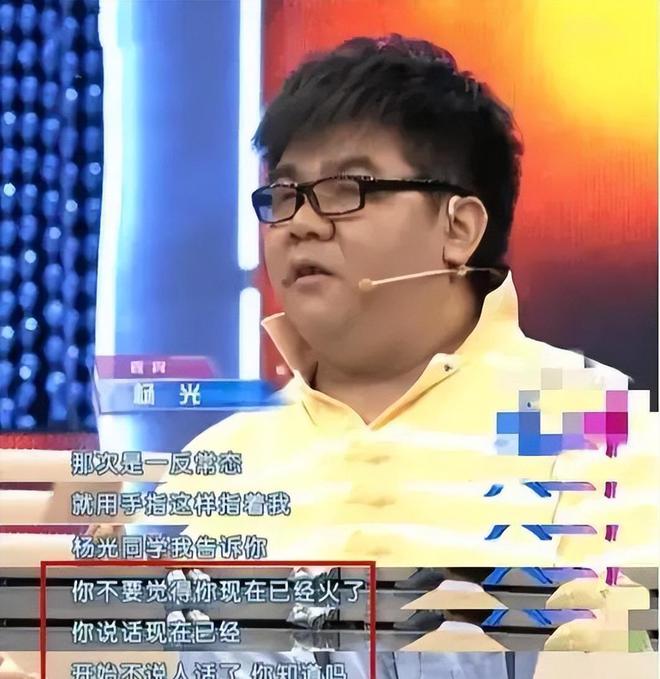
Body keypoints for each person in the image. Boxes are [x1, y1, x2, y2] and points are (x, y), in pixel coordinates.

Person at [162, 34, 654, 679]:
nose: (300, 223)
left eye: (347, 188)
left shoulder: (601, 424)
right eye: (283, 195)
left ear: (459, 228)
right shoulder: (210, 470)